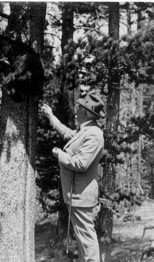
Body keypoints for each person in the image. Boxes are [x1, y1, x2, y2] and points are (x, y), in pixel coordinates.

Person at [40, 93, 105, 262]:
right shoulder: (85, 130)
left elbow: (81, 164)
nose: (76, 111)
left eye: (79, 108)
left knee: (87, 239)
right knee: (82, 238)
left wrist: (60, 155)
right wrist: (51, 117)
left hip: (81, 196)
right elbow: (68, 134)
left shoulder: (94, 134)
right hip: (75, 195)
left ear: (86, 113)